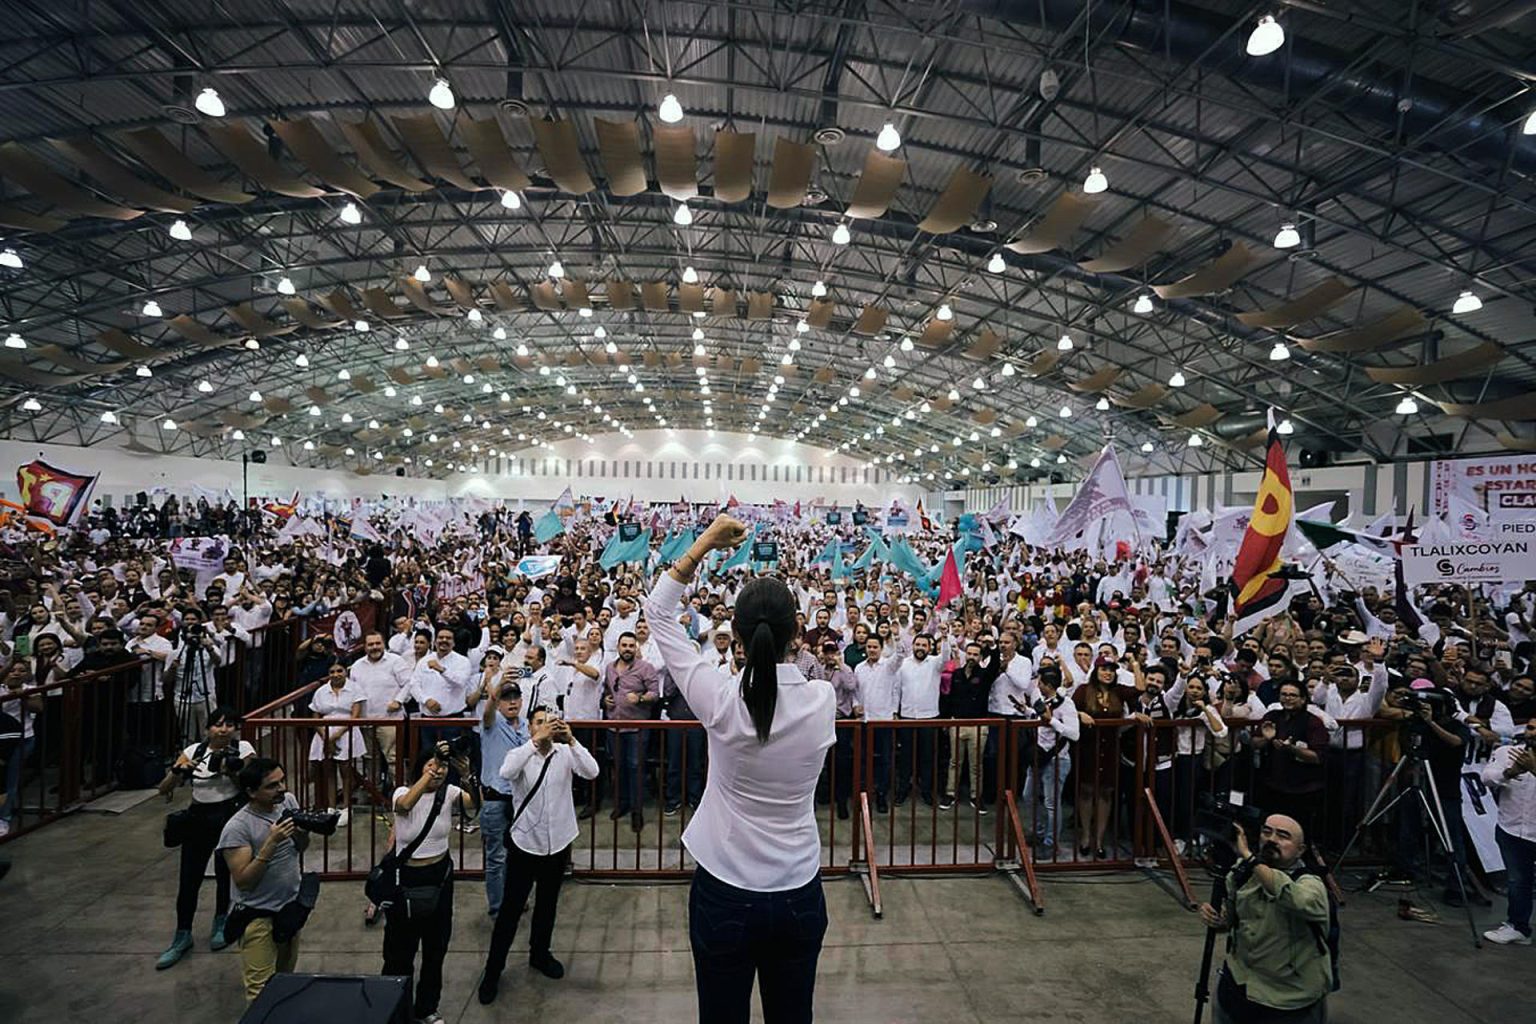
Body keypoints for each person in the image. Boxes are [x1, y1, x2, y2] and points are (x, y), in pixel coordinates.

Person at [643, 515, 836, 1024]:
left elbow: (659, 615)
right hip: (798, 888)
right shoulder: (822, 699)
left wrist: (704, 542)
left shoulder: (721, 700)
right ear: (798, 632)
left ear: (739, 637)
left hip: (725, 890)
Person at [478, 705, 599, 1004]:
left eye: (550, 722)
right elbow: (505, 772)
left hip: (557, 843)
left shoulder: (565, 754)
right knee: (510, 910)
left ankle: (539, 954)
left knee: (548, 904)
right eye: (539, 723)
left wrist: (571, 740)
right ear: (530, 727)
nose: (546, 728)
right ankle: (493, 971)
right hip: (525, 844)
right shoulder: (520, 755)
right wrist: (534, 743)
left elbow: (592, 771)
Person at [1198, 814, 1333, 1024]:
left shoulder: (1310, 884)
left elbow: (1296, 899)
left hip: (1288, 1000)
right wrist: (1217, 919)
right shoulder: (1242, 873)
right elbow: (1231, 920)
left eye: (1283, 836)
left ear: (1301, 850)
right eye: (1267, 832)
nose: (1272, 839)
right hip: (1239, 987)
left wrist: (1250, 859)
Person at [382, 742, 479, 1024]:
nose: (438, 772)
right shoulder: (402, 791)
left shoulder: (449, 794)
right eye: (432, 765)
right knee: (400, 951)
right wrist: (430, 772)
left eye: (442, 767)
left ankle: (427, 1008)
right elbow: (404, 807)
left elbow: (475, 804)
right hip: (407, 879)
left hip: (439, 877)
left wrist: (466, 776)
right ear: (420, 767)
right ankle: (396, 1010)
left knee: (436, 948)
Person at [153, 706, 255, 969]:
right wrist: (179, 770)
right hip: (198, 816)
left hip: (228, 816)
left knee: (224, 874)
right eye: (217, 724)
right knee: (189, 877)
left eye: (229, 724)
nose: (223, 729)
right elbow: (163, 789)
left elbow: (250, 780)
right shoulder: (193, 751)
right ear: (207, 728)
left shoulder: (242, 748)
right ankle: (182, 934)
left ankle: (221, 921)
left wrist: (229, 769)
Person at [217, 758, 308, 1004]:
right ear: (251, 792)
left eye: (281, 781)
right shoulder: (237, 828)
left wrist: (302, 832)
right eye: (271, 786)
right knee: (261, 994)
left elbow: (301, 848)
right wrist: (271, 843)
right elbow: (244, 881)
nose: (281, 789)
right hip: (257, 917)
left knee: (285, 982)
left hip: (289, 908)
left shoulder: (287, 802)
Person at [475, 679, 529, 917]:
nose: (512, 702)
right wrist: (493, 691)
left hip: (520, 800)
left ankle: (514, 900)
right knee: (497, 857)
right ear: (498, 703)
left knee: (518, 857)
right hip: (496, 799)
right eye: (506, 699)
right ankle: (498, 908)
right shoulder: (492, 723)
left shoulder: (527, 726)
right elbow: (487, 711)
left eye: (515, 697)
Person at [1480, 718, 1536, 945]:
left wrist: (1534, 769)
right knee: (1518, 881)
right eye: (1532, 728)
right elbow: (1486, 778)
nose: (1534, 733)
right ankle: (1518, 927)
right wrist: (1510, 772)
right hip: (1511, 829)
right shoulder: (1507, 752)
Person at [308, 660, 366, 826]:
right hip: (324, 733)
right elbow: (316, 715)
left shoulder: (355, 688)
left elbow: (355, 715)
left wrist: (336, 735)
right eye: (332, 671)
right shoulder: (321, 691)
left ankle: (347, 808)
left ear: (345, 672)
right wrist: (326, 737)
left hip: (346, 731)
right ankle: (331, 808)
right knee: (329, 771)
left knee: (346, 771)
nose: (336, 675)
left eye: (339, 671)